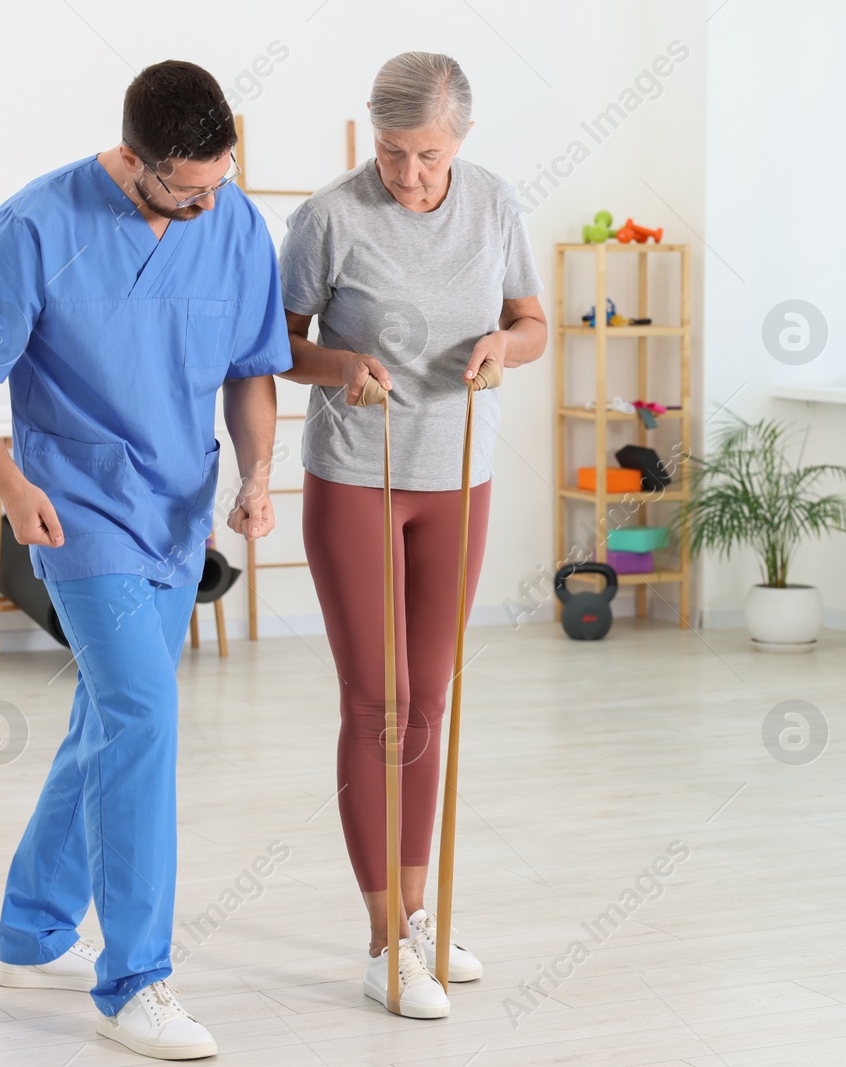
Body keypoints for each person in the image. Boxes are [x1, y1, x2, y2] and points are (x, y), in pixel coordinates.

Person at [0, 60, 290, 1060]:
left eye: (221, 180)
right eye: (189, 187)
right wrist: (7, 480)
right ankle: (135, 978)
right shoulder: (35, 225)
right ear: (134, 160)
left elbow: (253, 369)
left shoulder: (235, 218)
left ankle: (31, 928)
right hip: (75, 509)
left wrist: (258, 475)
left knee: (105, 719)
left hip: (177, 516)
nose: (211, 202)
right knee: (141, 712)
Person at [277, 51, 546, 1018]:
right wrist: (339, 364)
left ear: (460, 140)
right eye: (393, 153)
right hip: (359, 474)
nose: (408, 174)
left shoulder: (495, 203)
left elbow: (533, 324)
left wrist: (500, 348)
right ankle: (386, 942)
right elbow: (278, 345)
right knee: (378, 699)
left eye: (426, 155)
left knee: (429, 697)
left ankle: (421, 917)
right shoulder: (329, 216)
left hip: (459, 476)